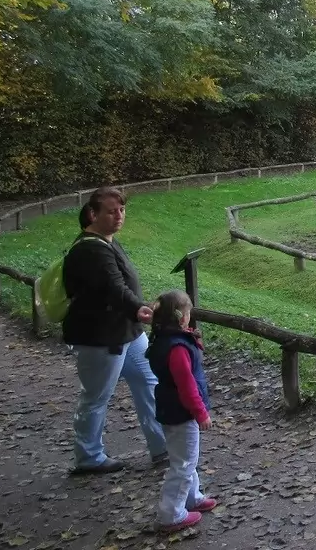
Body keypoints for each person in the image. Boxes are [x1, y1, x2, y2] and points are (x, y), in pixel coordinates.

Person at [62, 187, 168, 474]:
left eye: (121, 209)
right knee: (96, 396)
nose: (119, 216)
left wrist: (135, 311)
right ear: (93, 214)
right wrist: (139, 309)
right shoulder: (91, 249)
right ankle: (88, 457)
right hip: (101, 336)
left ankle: (162, 447)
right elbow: (113, 287)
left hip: (127, 331)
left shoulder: (107, 242)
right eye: (111, 211)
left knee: (149, 383)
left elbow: (120, 286)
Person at [145, 289, 216, 533]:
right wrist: (201, 413)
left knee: (186, 457)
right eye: (188, 313)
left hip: (170, 407)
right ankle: (170, 514)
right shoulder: (176, 348)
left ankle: (192, 497)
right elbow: (186, 385)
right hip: (181, 411)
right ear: (181, 317)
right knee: (184, 462)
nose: (190, 317)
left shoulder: (164, 338)